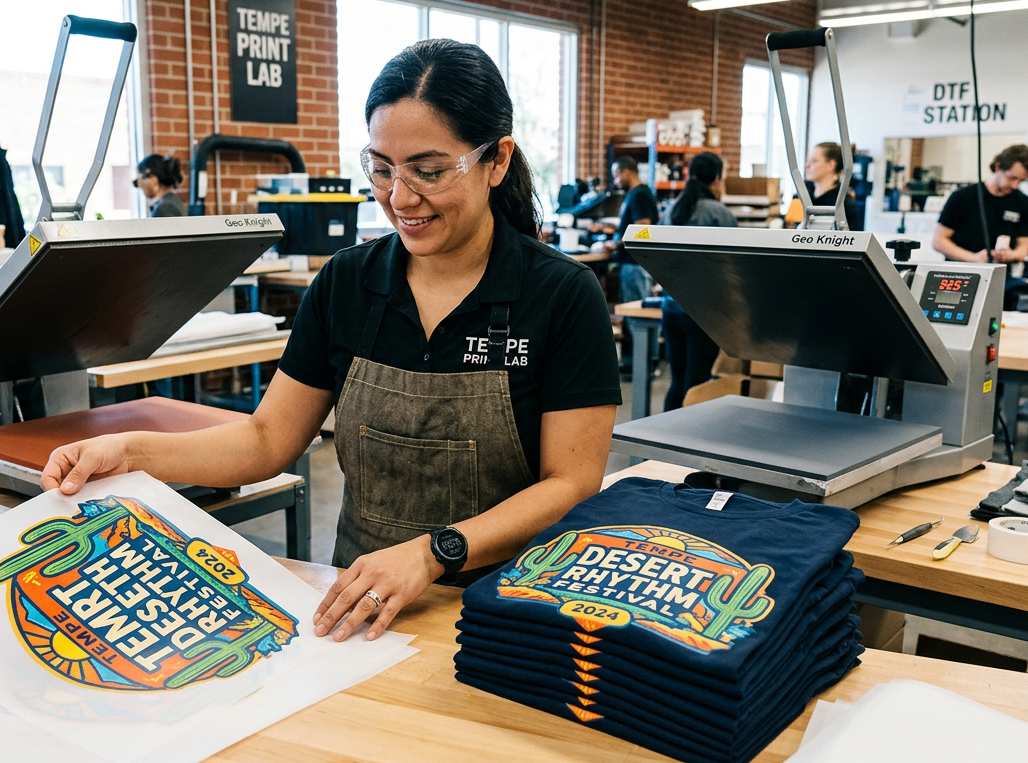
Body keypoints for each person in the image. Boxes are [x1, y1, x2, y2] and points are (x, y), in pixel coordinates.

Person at [40, 39, 620, 644]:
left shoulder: (560, 295)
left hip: (504, 609)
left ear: (496, 161)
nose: (399, 198)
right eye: (382, 168)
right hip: (358, 608)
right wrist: (129, 452)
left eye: (427, 170)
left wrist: (433, 553)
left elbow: (569, 484)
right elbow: (266, 441)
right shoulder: (348, 283)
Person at [658, 152, 731, 411]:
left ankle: (665, 445)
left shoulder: (672, 210)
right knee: (697, 385)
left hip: (671, 309)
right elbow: (733, 265)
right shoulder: (719, 214)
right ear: (717, 178)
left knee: (677, 382)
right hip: (704, 313)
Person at [933, 144, 1028, 264]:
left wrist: (1010, 255)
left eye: (1021, 181)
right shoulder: (963, 197)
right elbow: (939, 241)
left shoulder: (1024, 203)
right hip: (960, 272)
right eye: (1011, 178)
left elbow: (1023, 247)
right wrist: (974, 258)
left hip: (1002, 276)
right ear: (998, 167)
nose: (1015, 185)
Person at [606, 155, 659, 302]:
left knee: (636, 317)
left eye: (617, 176)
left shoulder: (639, 195)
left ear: (627, 172)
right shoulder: (634, 194)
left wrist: (615, 245)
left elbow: (642, 229)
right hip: (632, 264)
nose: (616, 182)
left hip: (636, 265)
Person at [791, 141, 858, 229]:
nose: (807, 165)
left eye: (814, 161)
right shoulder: (802, 194)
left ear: (831, 165)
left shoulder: (841, 203)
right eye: (808, 160)